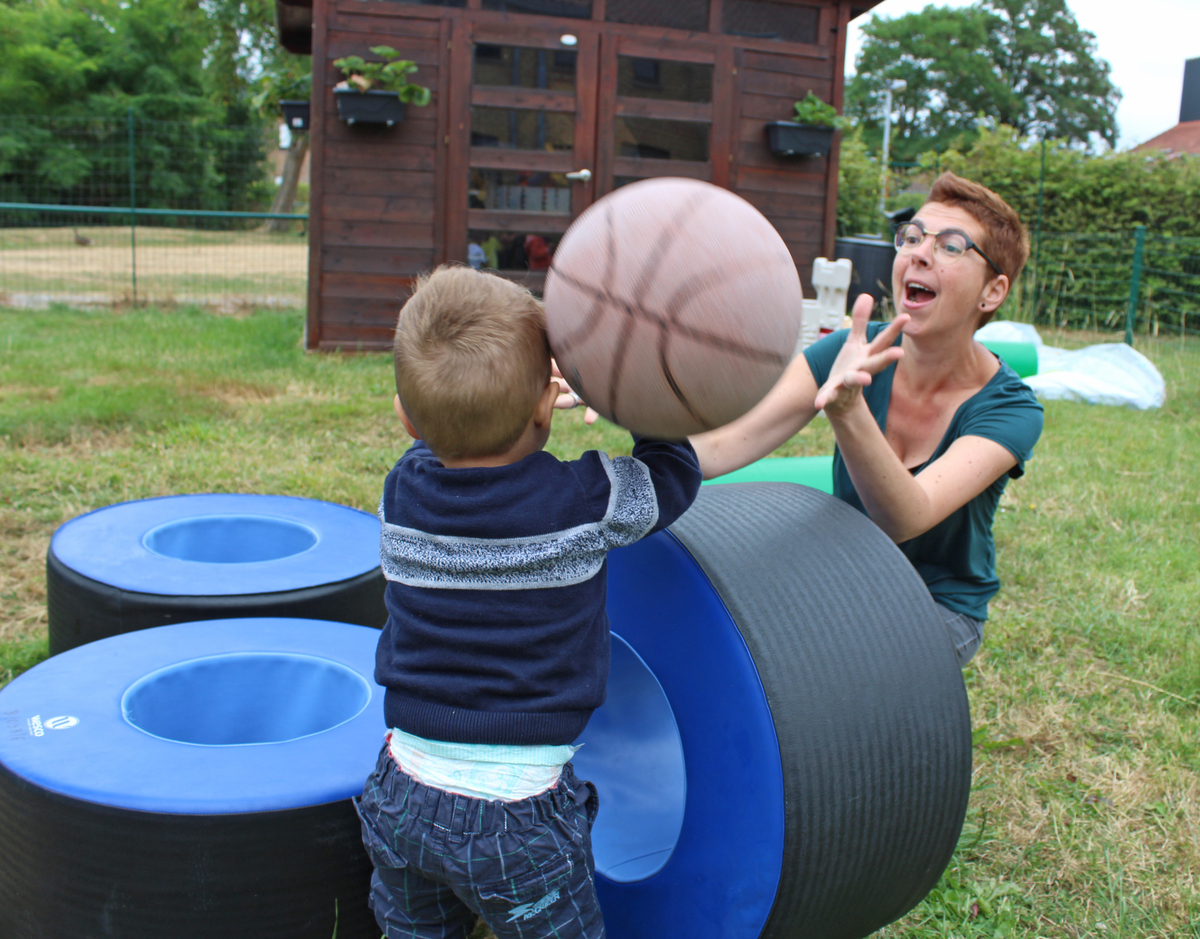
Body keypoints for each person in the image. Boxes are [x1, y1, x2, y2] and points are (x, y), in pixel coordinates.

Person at [356, 264, 702, 939]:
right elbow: (672, 475)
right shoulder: (584, 502)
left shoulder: (401, 495)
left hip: (399, 790)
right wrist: (631, 397)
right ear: (549, 404)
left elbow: (457, 450)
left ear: (404, 416)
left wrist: (520, 397)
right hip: (517, 818)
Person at [689, 172, 1043, 667]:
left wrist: (848, 410)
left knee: (808, 668)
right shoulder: (844, 351)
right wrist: (635, 403)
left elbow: (906, 518)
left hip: (936, 606)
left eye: (951, 246)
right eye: (913, 237)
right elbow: (723, 447)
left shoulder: (1010, 409)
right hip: (844, 579)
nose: (919, 253)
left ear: (992, 291)